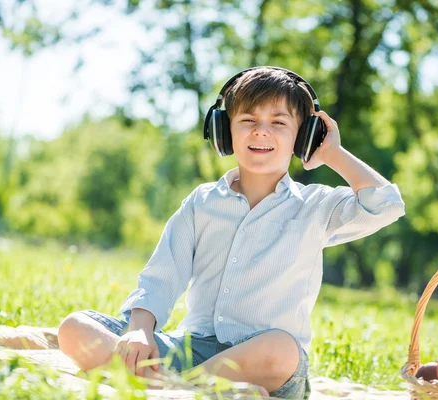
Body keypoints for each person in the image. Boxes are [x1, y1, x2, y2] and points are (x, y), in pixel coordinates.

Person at [57, 66, 405, 399]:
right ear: (225, 131)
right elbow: (160, 278)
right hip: (190, 351)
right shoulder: (201, 203)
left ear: (303, 137)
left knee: (282, 349)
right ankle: (195, 390)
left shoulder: (315, 206)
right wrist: (139, 331)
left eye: (279, 122)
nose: (261, 131)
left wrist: (333, 154)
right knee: (75, 328)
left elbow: (387, 205)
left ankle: (167, 389)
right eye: (248, 120)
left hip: (261, 365)